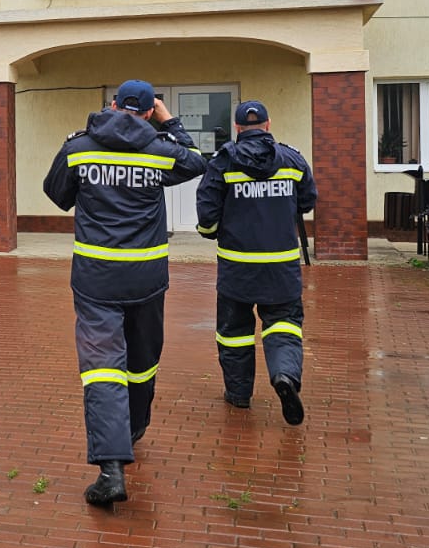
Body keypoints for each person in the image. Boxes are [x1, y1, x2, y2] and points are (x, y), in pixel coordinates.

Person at [43, 79, 207, 506]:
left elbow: (57, 194)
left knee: (102, 368)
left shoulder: (79, 147)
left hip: (96, 279)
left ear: (113, 105)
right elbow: (196, 162)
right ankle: (134, 427)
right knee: (142, 359)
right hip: (146, 278)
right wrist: (170, 122)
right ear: (150, 111)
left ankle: (111, 468)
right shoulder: (160, 150)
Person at [195, 100, 317, 426]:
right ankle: (284, 375)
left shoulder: (223, 162)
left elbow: (207, 214)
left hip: (237, 268)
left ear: (237, 127)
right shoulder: (292, 159)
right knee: (284, 325)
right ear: (268, 124)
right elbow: (307, 200)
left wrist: (212, 231)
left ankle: (239, 394)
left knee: (234, 331)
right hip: (282, 268)